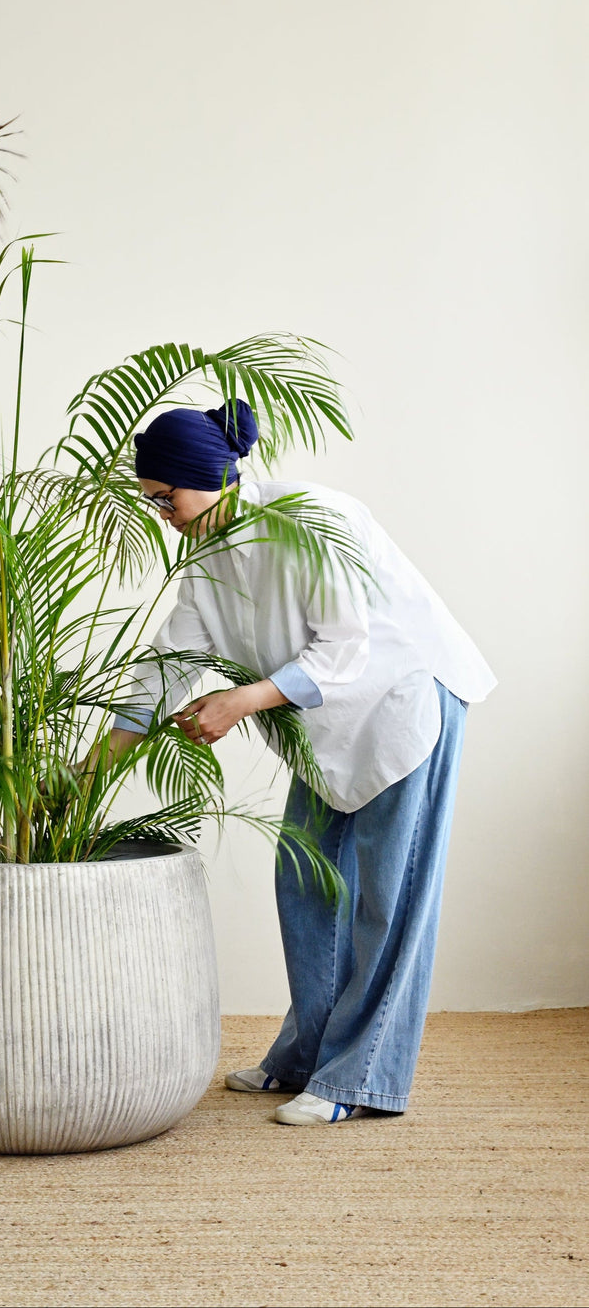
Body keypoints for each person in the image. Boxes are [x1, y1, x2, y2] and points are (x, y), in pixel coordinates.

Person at [103, 401, 495, 1126]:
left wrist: (239, 701)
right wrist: (102, 758)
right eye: (149, 498)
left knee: (388, 897)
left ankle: (360, 1077)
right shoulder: (207, 555)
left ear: (203, 476)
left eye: (166, 496)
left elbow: (347, 646)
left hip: (405, 700)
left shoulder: (309, 519)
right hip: (326, 723)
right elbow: (169, 659)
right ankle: (307, 1053)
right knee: (304, 876)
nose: (159, 511)